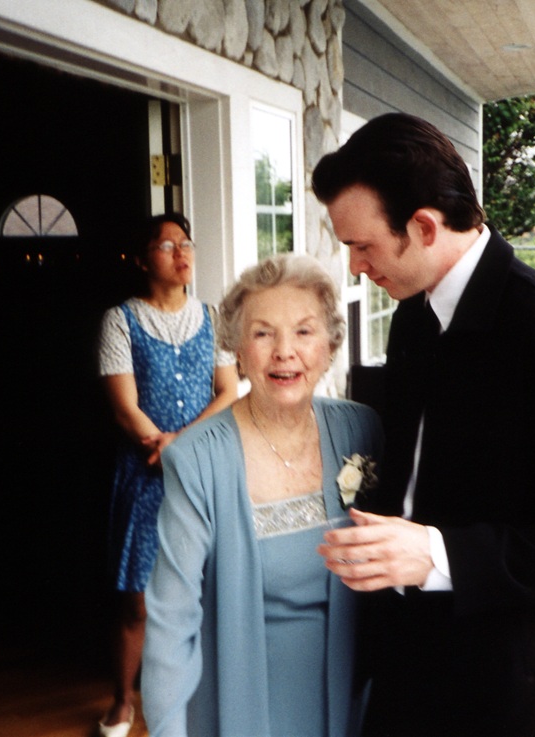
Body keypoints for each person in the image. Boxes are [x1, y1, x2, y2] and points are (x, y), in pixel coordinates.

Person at [312, 112, 535, 737]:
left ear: (425, 226)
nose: (354, 267)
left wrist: (435, 552)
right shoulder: (413, 315)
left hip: (497, 675)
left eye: (362, 245)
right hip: (404, 652)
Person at [141, 254, 384, 737]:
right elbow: (171, 623)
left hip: (356, 704)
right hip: (241, 707)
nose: (284, 352)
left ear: (331, 343)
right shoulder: (197, 460)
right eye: (263, 332)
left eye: (303, 331)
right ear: (236, 346)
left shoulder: (363, 430)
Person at [96, 213, 239, 737]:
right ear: (141, 259)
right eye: (165, 245)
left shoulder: (214, 317)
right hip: (145, 473)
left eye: (186, 243)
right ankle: (122, 701)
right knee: (136, 597)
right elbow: (123, 407)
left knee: (204, 588)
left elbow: (227, 392)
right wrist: (157, 441)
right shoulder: (120, 320)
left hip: (201, 471)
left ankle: (197, 692)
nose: (181, 253)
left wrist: (181, 442)